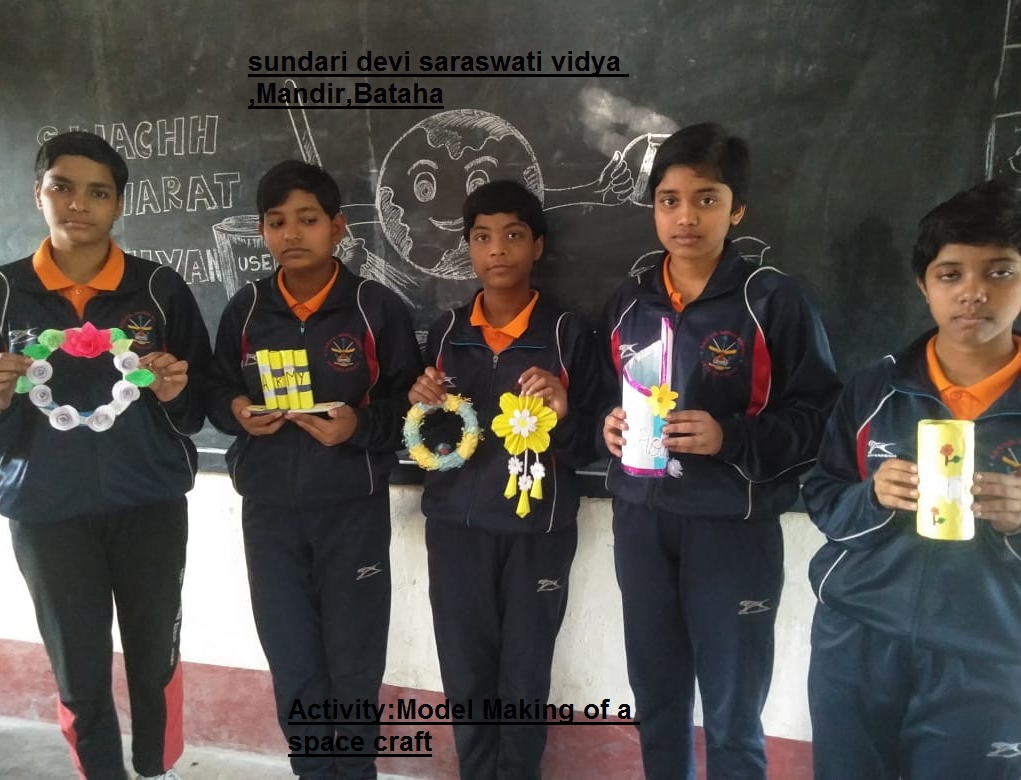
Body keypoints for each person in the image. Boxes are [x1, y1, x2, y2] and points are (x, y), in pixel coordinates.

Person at [599, 122, 840, 779]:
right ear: (654, 209)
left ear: (737, 210)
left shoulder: (773, 300)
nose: (686, 217)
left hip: (731, 526)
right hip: (641, 521)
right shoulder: (628, 302)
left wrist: (729, 437)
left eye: (706, 199)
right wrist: (607, 429)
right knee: (656, 697)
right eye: (669, 200)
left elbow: (821, 420)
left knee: (732, 711)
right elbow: (600, 395)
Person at [0, 131, 210, 780]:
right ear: (38, 193)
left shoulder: (158, 290)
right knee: (78, 666)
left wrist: (175, 392)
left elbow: (199, 410)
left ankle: (156, 770)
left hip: (150, 504)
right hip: (45, 511)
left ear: (119, 205)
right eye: (62, 187)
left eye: (98, 192)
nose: (78, 204)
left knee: (154, 656)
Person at [205, 160, 421, 780]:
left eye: (307, 219)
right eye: (276, 222)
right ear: (263, 231)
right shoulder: (246, 309)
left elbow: (414, 407)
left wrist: (359, 427)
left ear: (338, 227)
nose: (291, 234)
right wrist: (236, 410)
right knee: (292, 657)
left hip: (352, 509)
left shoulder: (375, 309)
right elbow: (216, 390)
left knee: (353, 659)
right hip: (269, 511)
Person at [802, 179, 1021, 779]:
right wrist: (872, 498)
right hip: (859, 639)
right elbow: (822, 492)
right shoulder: (877, 388)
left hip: (989, 651)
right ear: (924, 286)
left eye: (999, 272)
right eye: (951, 275)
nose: (973, 292)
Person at [407, 179, 603, 780]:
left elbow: (597, 441)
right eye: (483, 237)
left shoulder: (568, 333)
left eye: (514, 235)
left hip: (536, 531)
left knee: (524, 673)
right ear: (468, 246)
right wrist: (421, 404)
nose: (497, 249)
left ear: (537, 246)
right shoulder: (445, 332)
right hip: (456, 528)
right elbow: (433, 440)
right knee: (465, 671)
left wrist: (563, 412)